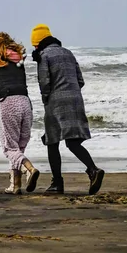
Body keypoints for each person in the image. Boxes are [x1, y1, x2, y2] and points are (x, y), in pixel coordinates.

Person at [30, 24, 104, 195]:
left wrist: (46, 102)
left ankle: (57, 183)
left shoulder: (44, 55)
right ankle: (92, 170)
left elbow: (45, 84)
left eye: (34, 44)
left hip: (56, 102)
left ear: (38, 43)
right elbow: (80, 80)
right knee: (72, 142)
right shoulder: (68, 53)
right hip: (76, 99)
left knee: (52, 141)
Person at [0, 32, 40, 195]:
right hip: (25, 101)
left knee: (10, 148)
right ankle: (15, 185)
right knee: (19, 146)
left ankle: (29, 168)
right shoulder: (19, 61)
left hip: (9, 102)